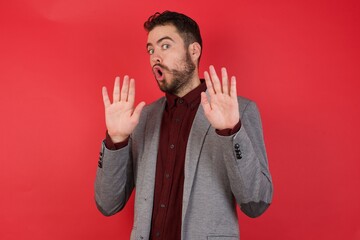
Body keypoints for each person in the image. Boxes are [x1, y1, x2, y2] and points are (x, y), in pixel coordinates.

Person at [95, 10, 273, 240]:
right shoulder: (142, 119)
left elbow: (256, 204)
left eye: (165, 46)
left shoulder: (238, 111)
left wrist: (231, 132)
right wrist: (116, 140)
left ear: (194, 51)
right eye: (151, 50)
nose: (155, 57)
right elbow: (108, 204)